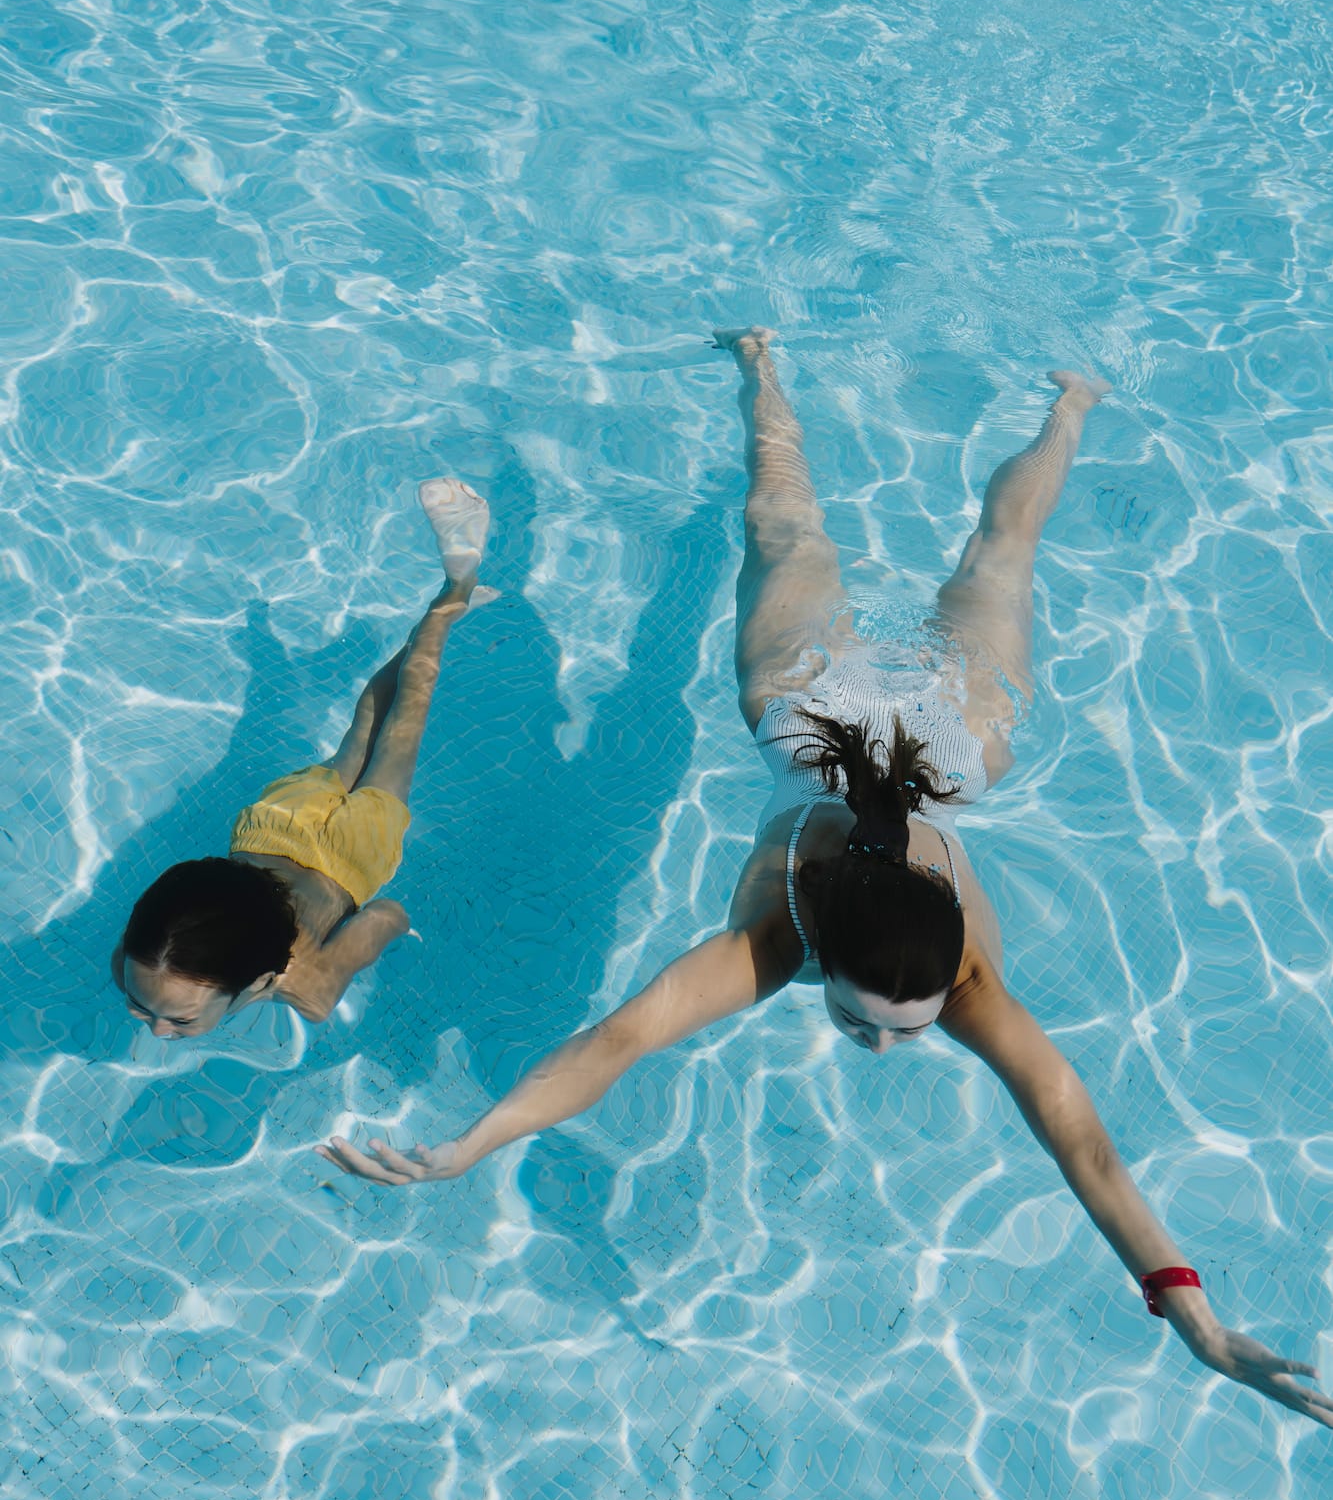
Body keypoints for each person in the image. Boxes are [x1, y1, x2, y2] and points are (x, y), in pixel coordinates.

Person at [320, 333, 1331, 1429]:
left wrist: (1197, 1322)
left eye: (897, 1025)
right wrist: (470, 1148)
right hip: (888, 722)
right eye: (863, 1020)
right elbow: (612, 1044)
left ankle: (1066, 399)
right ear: (822, 951)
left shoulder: (962, 980)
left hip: (865, 715)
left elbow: (1080, 1145)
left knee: (965, 550)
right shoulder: (774, 938)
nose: (886, 1045)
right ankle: (763, 366)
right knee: (894, 541)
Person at [114, 479, 491, 1036]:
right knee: (369, 723)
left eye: (178, 1018)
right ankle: (428, 630)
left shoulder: (310, 990)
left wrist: (391, 936)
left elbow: (390, 914)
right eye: (145, 1005)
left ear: (263, 983)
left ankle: (455, 589)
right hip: (275, 828)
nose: (156, 1029)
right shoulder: (142, 957)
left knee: (399, 729)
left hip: (353, 856)